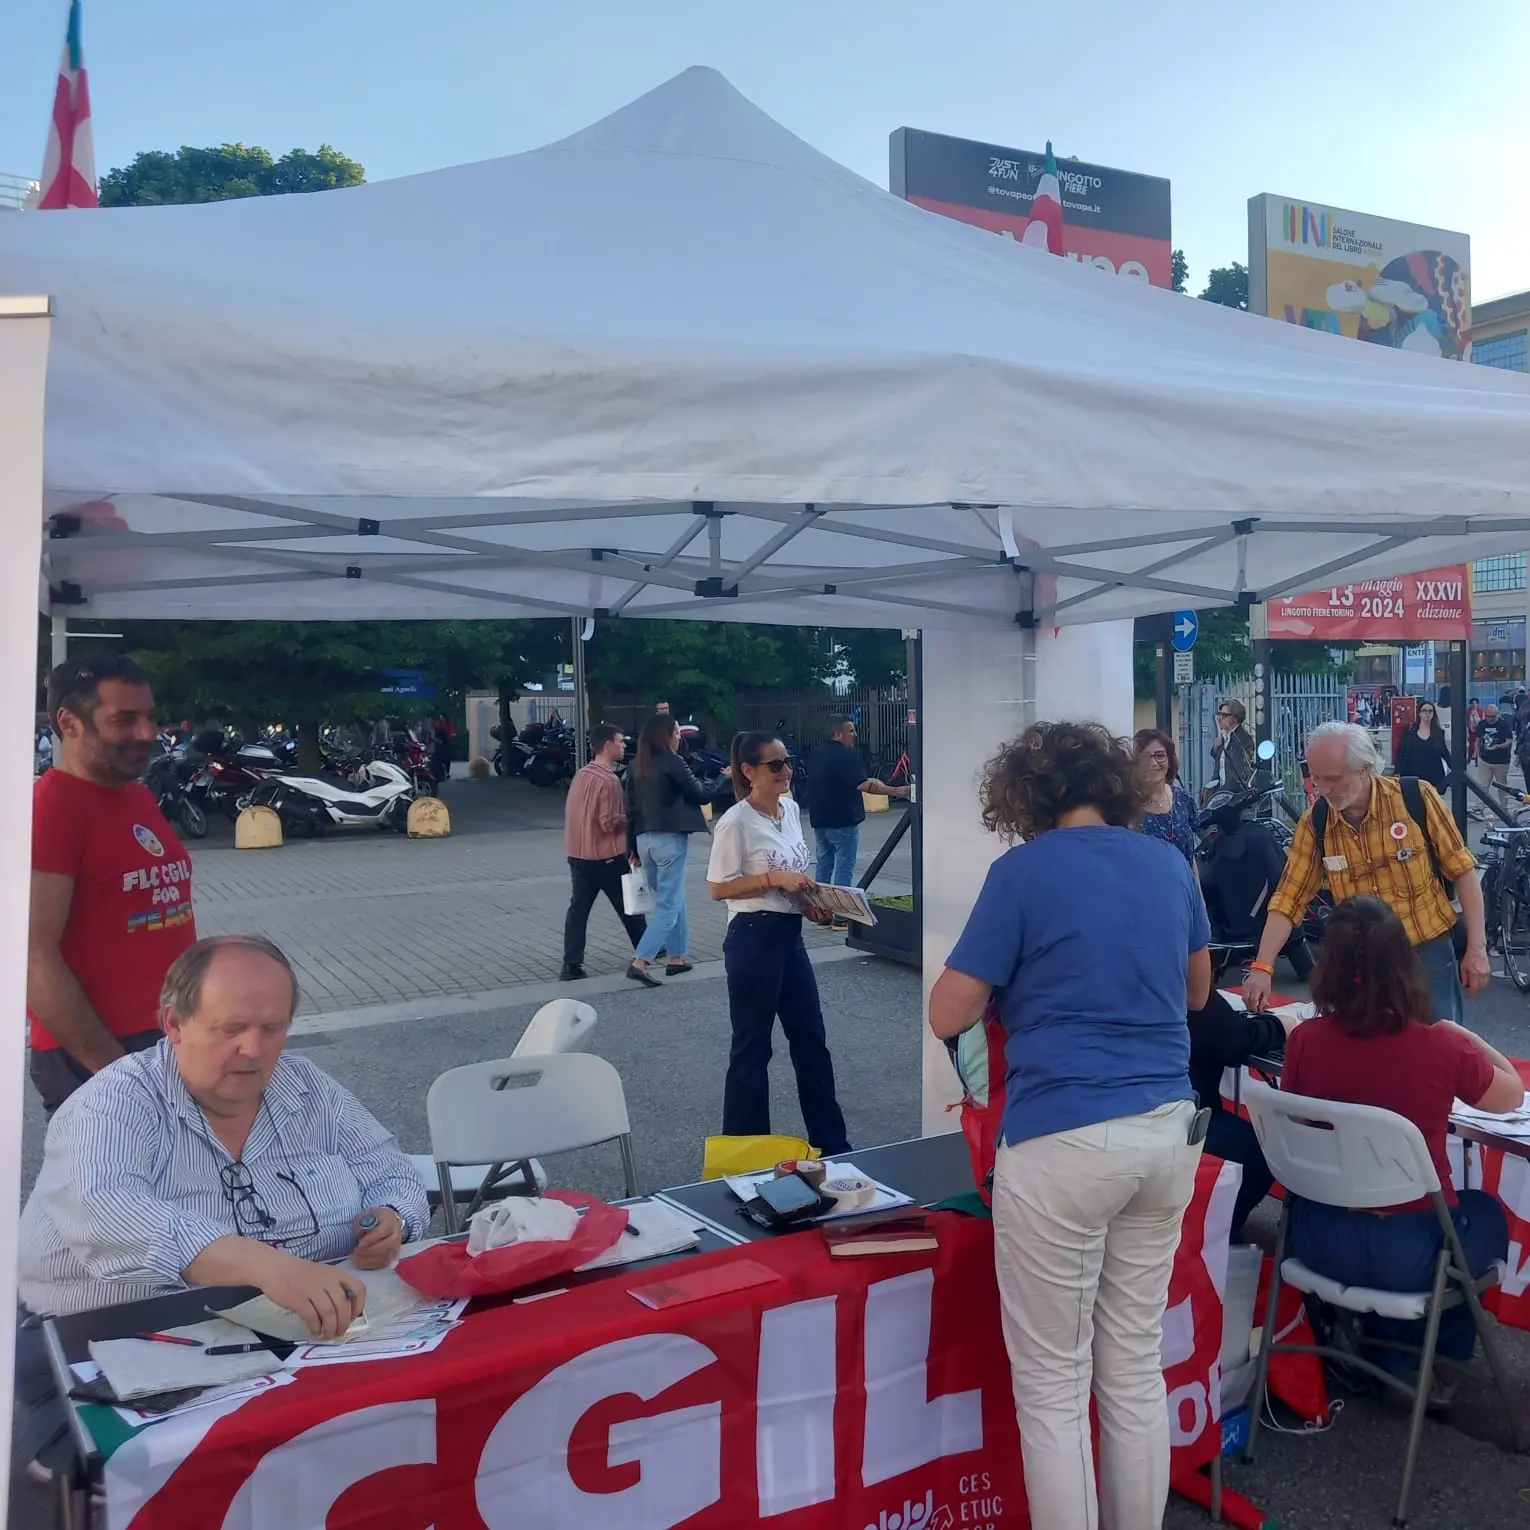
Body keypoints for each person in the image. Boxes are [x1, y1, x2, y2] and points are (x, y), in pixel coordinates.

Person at [927, 721, 1211, 1530]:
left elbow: (949, 1010)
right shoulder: (1167, 862)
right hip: (1164, 1132)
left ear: (1026, 795)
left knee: (1053, 1387)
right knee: (1131, 1365)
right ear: (1115, 784)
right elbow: (1197, 993)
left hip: (1062, 1140)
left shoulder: (1022, 874)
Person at [19, 936, 428, 1328]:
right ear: (174, 1023)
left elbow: (392, 1171)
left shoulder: (307, 1087)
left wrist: (391, 1218)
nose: (253, 1050)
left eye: (271, 1029)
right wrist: (272, 1269)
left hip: (313, 1327)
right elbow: (108, 1213)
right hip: (117, 1336)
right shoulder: (110, 1103)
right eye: (232, 1029)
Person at [1283, 896, 1521, 1398]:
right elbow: (1511, 1095)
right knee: (1482, 1216)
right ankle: (1428, 1364)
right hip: (1409, 1254)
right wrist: (1464, 1034)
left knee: (1432, 1221)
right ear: (1404, 966)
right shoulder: (1441, 1047)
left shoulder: (1304, 1042)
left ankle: (1384, 1352)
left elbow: (1299, 1120)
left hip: (1316, 1238)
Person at [28, 655, 198, 1116]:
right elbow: (32, 957)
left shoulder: (136, 795)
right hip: (99, 1054)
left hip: (167, 1039)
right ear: (69, 722)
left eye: (149, 716)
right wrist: (115, 1070)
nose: (147, 733)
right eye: (125, 720)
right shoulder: (50, 810)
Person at [1243, 722, 1486, 1027]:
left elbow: (1463, 871)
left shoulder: (1416, 799)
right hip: (1361, 967)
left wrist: (1477, 948)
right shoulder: (1315, 824)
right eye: (1316, 779)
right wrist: (1262, 966)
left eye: (1333, 779)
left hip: (1426, 955)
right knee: (1370, 1060)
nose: (1323, 789)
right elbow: (1288, 898)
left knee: (1441, 1054)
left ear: (1365, 770)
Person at [707, 731, 850, 1155]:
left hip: (789, 932)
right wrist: (773, 879)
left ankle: (832, 1143)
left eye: (789, 761)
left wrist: (812, 903)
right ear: (748, 771)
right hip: (753, 936)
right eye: (775, 765)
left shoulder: (789, 808)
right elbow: (718, 888)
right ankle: (744, 1152)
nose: (786, 771)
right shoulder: (735, 821)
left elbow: (794, 873)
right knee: (753, 1046)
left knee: (810, 1039)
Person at [625, 714, 722, 987]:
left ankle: (676, 958)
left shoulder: (635, 766)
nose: (680, 736)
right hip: (670, 839)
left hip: (644, 840)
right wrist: (722, 779)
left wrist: (630, 847)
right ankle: (640, 961)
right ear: (664, 735)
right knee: (667, 905)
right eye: (676, 732)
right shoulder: (673, 762)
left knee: (672, 898)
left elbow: (630, 810)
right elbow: (700, 794)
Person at [1188, 990, 1292, 1237]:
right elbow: (1233, 1039)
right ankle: (1208, 1238)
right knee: (1262, 1147)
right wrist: (1278, 1026)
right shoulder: (1181, 982)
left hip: (1104, 1115)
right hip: (1180, 1123)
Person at [560, 724, 646, 981]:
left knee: (578, 910)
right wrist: (633, 816)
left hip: (578, 854)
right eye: (620, 742)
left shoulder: (581, 775)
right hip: (605, 855)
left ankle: (571, 963)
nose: (624, 746)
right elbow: (608, 822)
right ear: (607, 744)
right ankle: (648, 949)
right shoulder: (609, 781)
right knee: (628, 906)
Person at [804, 716, 909, 890]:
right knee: (844, 867)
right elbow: (863, 784)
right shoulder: (843, 754)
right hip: (843, 820)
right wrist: (895, 791)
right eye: (851, 731)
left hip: (819, 820)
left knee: (824, 864)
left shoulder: (817, 753)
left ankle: (820, 905)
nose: (855, 734)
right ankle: (842, 909)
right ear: (838, 733)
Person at [1134, 728, 1198, 867]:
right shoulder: (1128, 806)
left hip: (1185, 887)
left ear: (1169, 760)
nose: (1153, 763)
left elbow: (1190, 857)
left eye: (1160, 755)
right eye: (1145, 757)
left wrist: (1197, 889)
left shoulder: (1183, 799)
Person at [1393, 700, 1450, 793]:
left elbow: (1444, 751)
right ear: (1419, 713)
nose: (1427, 713)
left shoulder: (1438, 733)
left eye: (1430, 711)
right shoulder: (1409, 732)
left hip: (1434, 776)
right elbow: (1400, 752)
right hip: (1413, 775)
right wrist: (1397, 771)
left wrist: (1455, 767)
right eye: (1424, 711)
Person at [1207, 698, 1255, 802]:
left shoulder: (1243, 738)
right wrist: (1216, 747)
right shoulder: (1224, 736)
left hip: (1234, 795)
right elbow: (1220, 762)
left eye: (1224, 715)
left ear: (1235, 718)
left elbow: (1238, 768)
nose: (1220, 718)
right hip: (1220, 793)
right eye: (1219, 714)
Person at [1476, 702, 1513, 794]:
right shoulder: (1482, 724)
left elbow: (1509, 740)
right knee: (1483, 785)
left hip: (1501, 761)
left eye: (1493, 716)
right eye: (1488, 716)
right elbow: (1478, 739)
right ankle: (1480, 807)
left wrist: (1498, 746)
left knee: (1502, 785)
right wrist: (1477, 753)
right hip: (1485, 759)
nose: (1490, 719)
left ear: (1497, 714)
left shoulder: (1504, 724)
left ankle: (1503, 807)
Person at [1466, 698, 1482, 765]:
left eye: (1475, 703)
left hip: (1478, 730)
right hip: (1470, 730)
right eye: (1472, 703)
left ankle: (1477, 760)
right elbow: (1466, 721)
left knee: (1478, 745)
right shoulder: (1468, 711)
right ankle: (1470, 757)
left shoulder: (1480, 711)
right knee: (1471, 745)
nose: (1474, 705)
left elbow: (1482, 720)